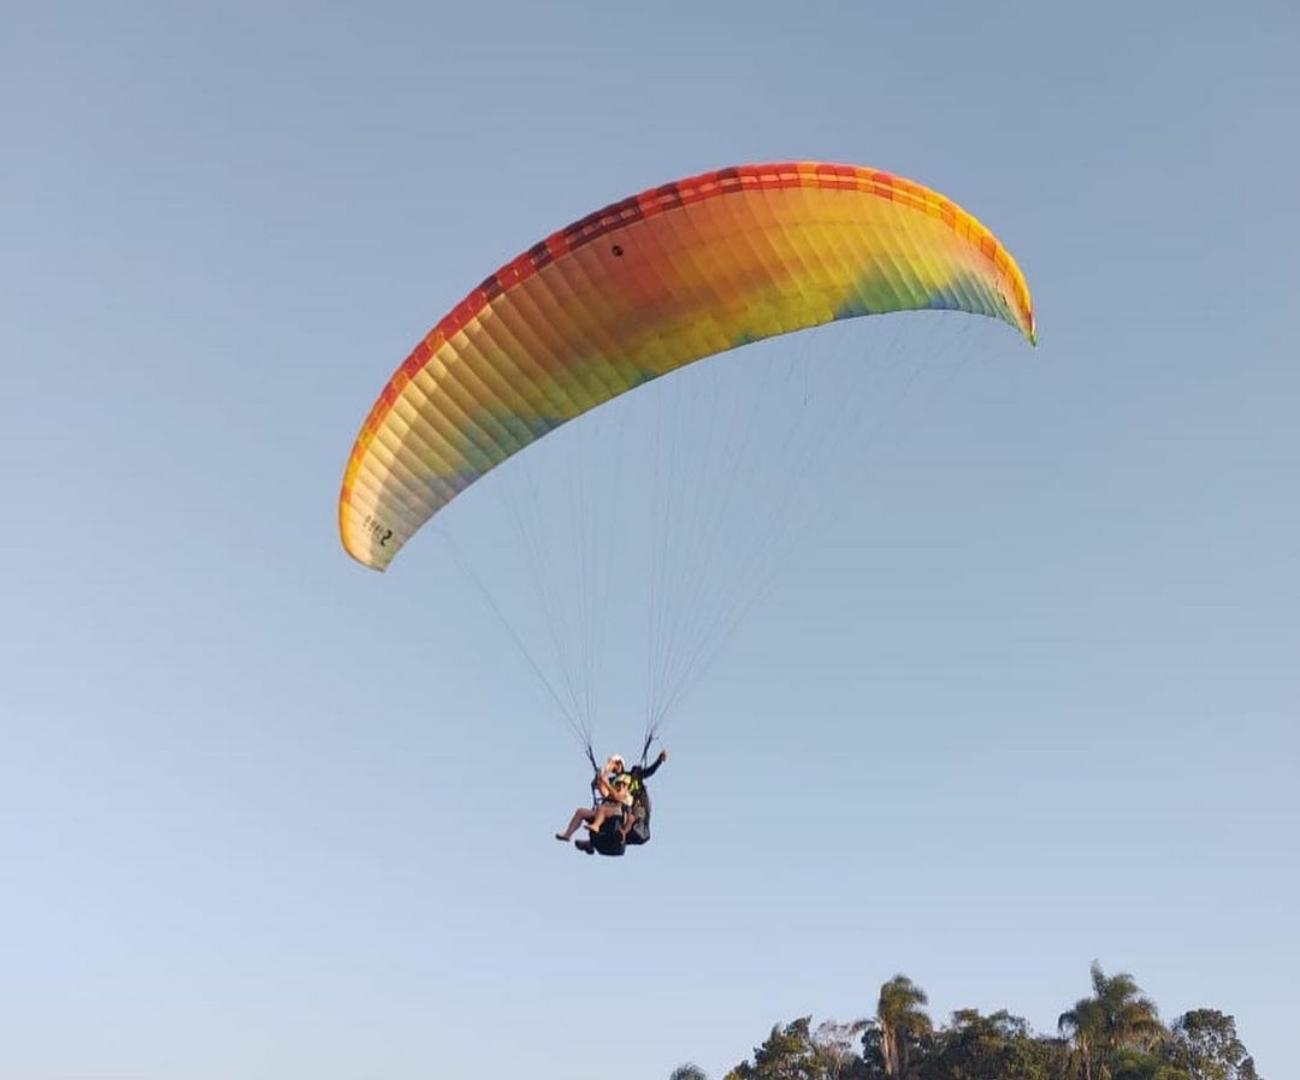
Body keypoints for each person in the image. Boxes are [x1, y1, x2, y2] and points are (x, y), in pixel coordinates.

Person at [555, 754, 630, 842]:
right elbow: (606, 795)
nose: (614, 766)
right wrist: (600, 779)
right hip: (606, 810)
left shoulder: (625, 778)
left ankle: (596, 826)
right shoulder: (612, 780)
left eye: (616, 764)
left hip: (618, 811)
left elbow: (618, 797)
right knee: (580, 812)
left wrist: (606, 783)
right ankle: (568, 834)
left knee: (602, 808)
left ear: (620, 765)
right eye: (613, 764)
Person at [620, 748, 668, 844]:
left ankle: (623, 834)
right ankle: (591, 842)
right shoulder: (622, 778)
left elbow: (650, 771)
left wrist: (659, 760)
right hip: (624, 806)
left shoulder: (638, 777)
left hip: (636, 807)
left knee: (635, 815)